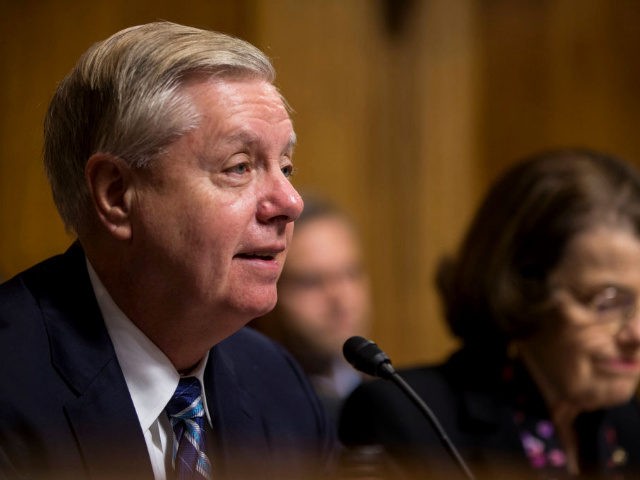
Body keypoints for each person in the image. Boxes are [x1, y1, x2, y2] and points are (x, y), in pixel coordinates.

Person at [0, 22, 336, 480]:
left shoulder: (279, 387)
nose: (290, 203)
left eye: (286, 167)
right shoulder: (10, 385)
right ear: (117, 194)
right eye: (239, 167)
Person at [339, 148, 640, 479]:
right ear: (522, 286)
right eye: (608, 301)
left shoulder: (629, 425)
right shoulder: (405, 418)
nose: (636, 334)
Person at [252, 194, 372, 424]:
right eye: (311, 281)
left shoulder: (390, 394)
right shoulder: (252, 417)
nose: (340, 298)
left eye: (350, 273)